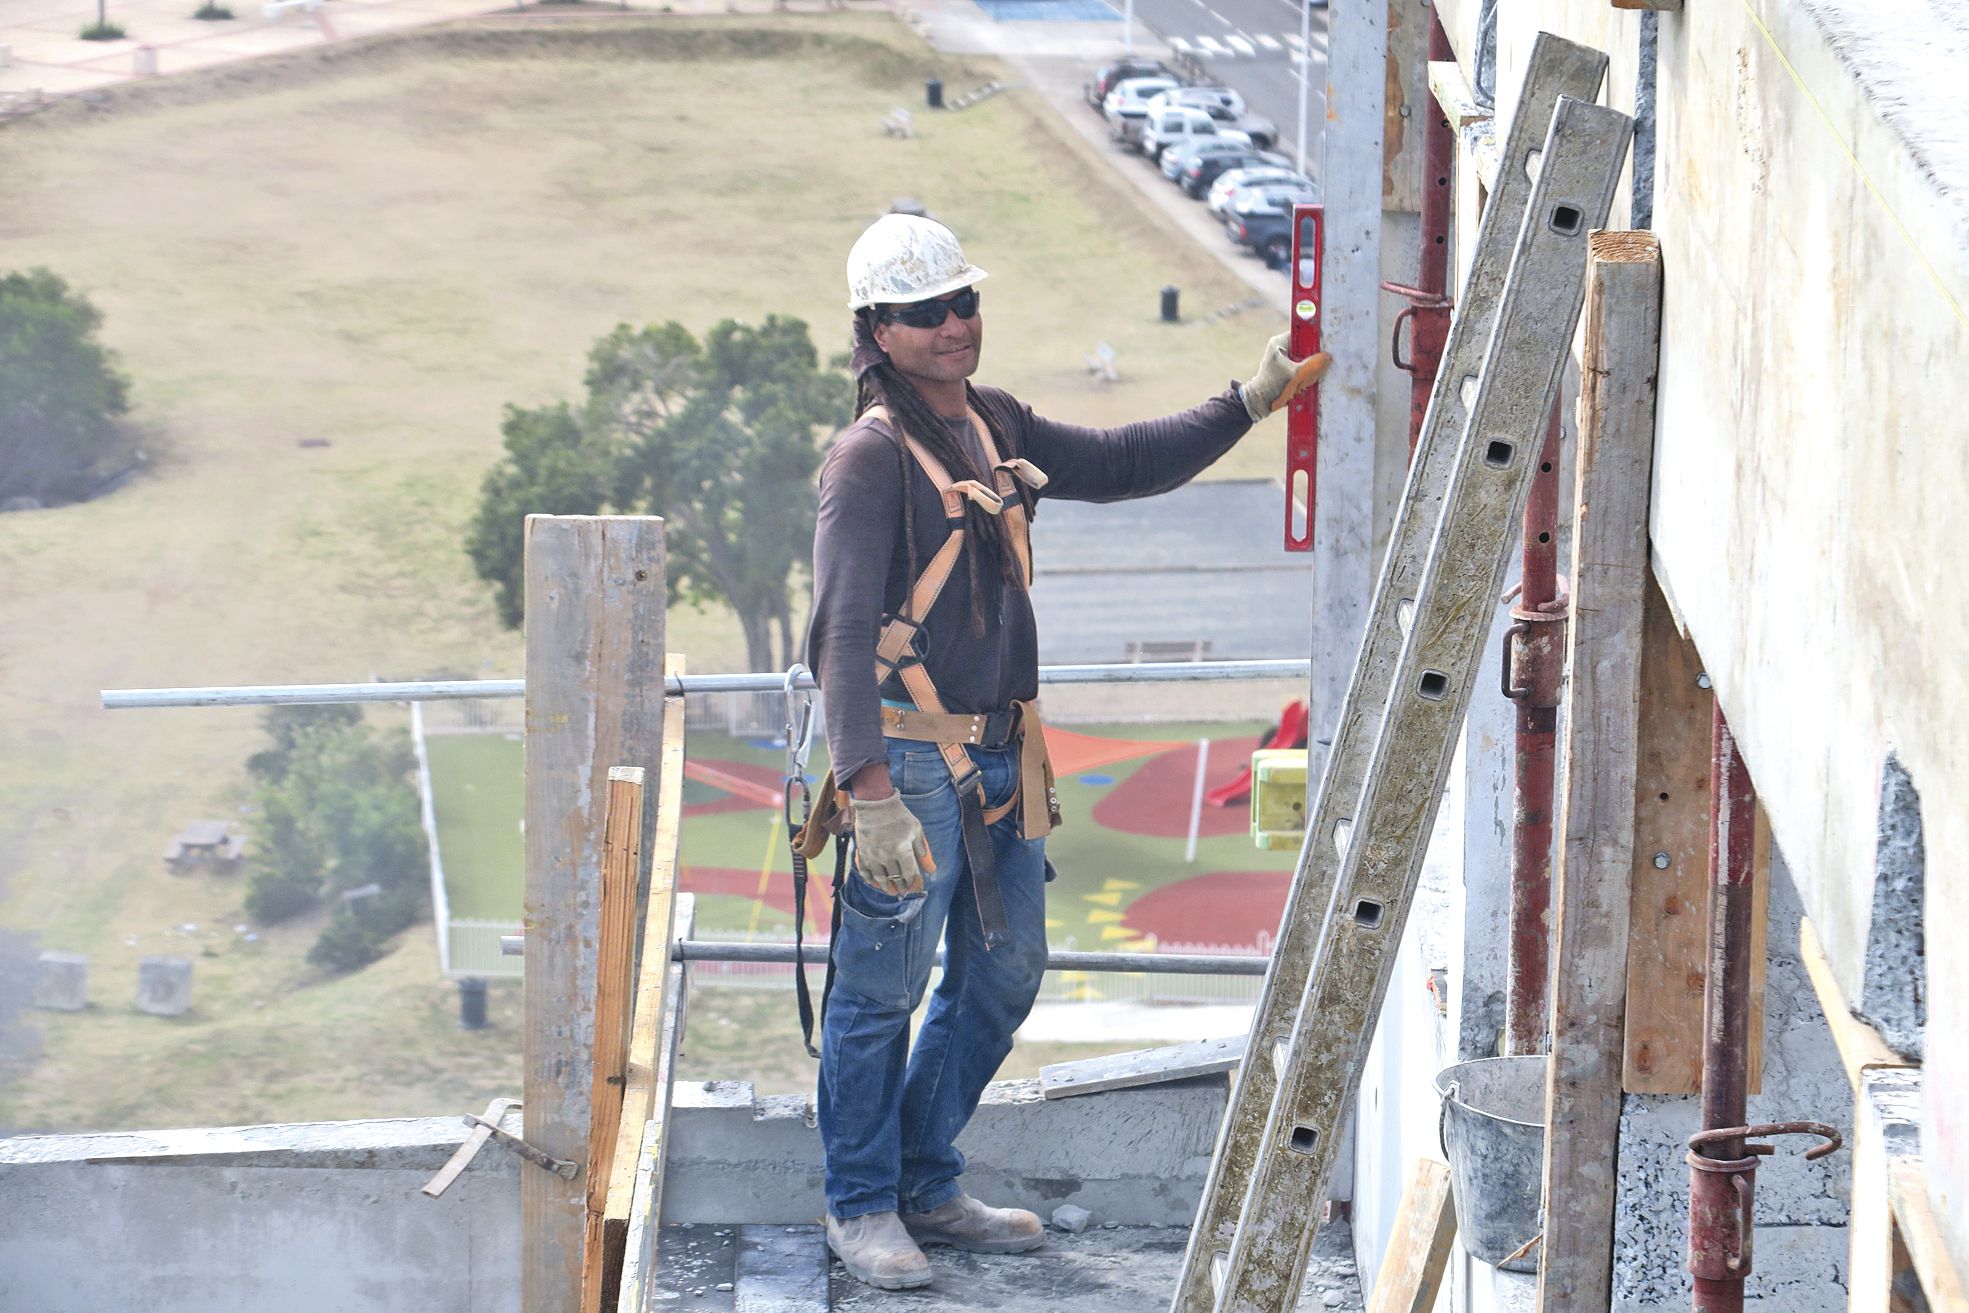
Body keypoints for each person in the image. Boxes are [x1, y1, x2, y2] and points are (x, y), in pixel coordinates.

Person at [804, 213, 1323, 1290]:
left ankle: (924, 1180)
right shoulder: (867, 460)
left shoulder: (990, 420)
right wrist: (867, 792)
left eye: (962, 303)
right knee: (878, 992)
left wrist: (1248, 401)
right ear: (878, 332)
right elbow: (840, 634)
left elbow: (1122, 461)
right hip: (906, 766)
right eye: (924, 312)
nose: (953, 324)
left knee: (1003, 972)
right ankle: (861, 1204)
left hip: (1002, 758)